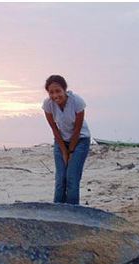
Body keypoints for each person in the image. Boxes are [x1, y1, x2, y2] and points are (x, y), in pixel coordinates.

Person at [42, 75, 91, 205]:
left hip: (80, 140)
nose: (55, 95)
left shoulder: (77, 102)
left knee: (72, 178)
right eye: (51, 92)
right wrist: (64, 151)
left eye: (58, 91)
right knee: (60, 179)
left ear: (64, 90)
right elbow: (54, 128)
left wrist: (70, 152)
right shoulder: (48, 105)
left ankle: (73, 212)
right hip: (61, 141)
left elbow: (77, 129)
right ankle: (57, 210)